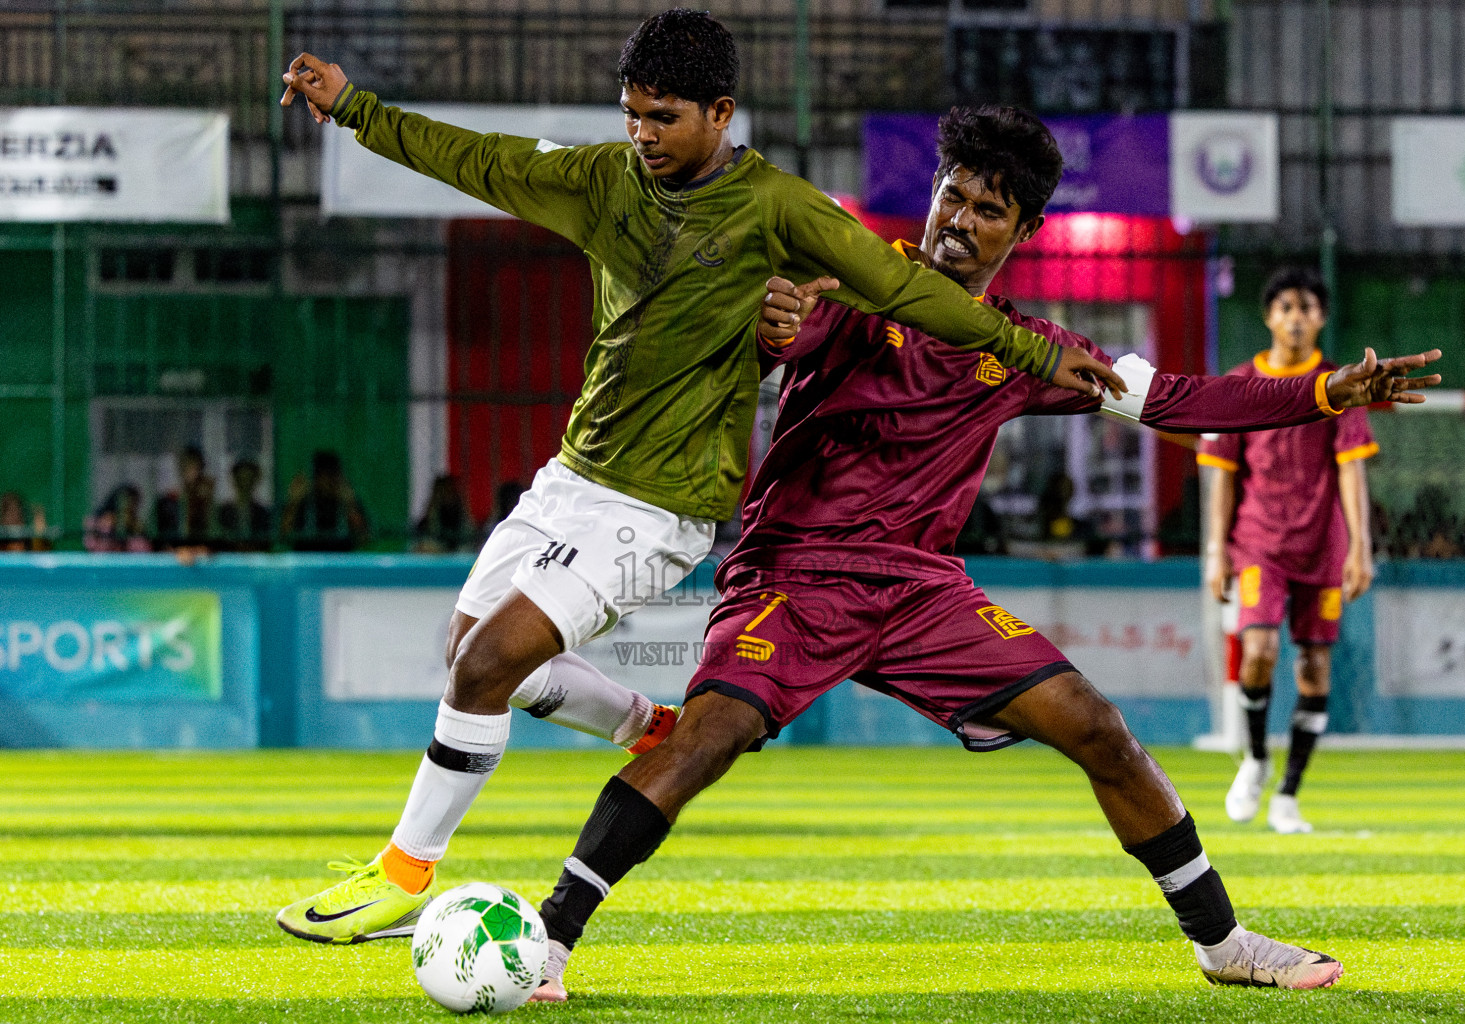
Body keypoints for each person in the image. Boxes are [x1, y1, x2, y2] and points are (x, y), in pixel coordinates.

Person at [527, 107, 1442, 999]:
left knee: (1098, 727)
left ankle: (1223, 941)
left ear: (1027, 229)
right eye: (950, 195)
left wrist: (1323, 391)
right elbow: (769, 334)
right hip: (797, 574)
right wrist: (771, 324)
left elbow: (1177, 400)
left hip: (921, 594)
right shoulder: (849, 287)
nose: (959, 220)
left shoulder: (1028, 352)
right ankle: (550, 939)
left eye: (987, 209)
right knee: (710, 738)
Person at [273, 9, 1127, 944]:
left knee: (484, 665)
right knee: (468, 652)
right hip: (574, 475)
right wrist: (356, 108)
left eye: (663, 117)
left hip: (663, 506)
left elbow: (908, 290)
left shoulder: (779, 207)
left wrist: (1025, 351)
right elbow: (477, 158)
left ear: (721, 112)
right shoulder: (603, 179)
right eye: (633, 113)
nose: (642, 134)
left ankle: (404, 872)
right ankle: (648, 722)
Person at [1201, 267, 1380, 836]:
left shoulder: (1339, 386)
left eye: (1306, 307)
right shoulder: (1239, 385)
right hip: (1258, 545)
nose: (1296, 317)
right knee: (1256, 651)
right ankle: (1254, 759)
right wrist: (1214, 550)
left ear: (1321, 318)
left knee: (1314, 667)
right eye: (1285, 307)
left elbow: (1352, 470)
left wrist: (1360, 547)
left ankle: (1288, 794)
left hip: (1322, 548)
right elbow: (1224, 476)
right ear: (1268, 317)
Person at [281, 451, 371, 553]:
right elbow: (284, 536)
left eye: (334, 475)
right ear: (315, 478)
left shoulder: (347, 503)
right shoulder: (303, 504)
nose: (330, 481)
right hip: (307, 562)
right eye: (325, 476)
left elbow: (364, 538)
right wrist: (294, 502)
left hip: (340, 563)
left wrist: (350, 503)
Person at [154, 445, 216, 553]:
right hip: (173, 564)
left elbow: (216, 539)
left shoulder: (207, 505)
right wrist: (177, 551)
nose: (190, 470)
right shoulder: (165, 504)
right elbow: (156, 541)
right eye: (185, 465)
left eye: (194, 465)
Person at [216, 458, 273, 552]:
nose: (245, 484)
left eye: (249, 479)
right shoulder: (223, 512)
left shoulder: (263, 513)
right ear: (235, 480)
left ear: (255, 481)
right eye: (241, 479)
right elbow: (220, 541)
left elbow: (266, 542)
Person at [413, 474, 475, 553]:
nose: (448, 495)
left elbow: (470, 540)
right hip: (435, 562)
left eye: (450, 490)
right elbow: (419, 548)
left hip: (459, 561)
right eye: (443, 491)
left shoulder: (461, 515)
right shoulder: (425, 523)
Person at [84, 485, 152, 553]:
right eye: (130, 503)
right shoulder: (101, 519)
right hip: (103, 555)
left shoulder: (131, 520)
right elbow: (91, 543)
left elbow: (143, 541)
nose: (133, 507)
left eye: (135, 504)